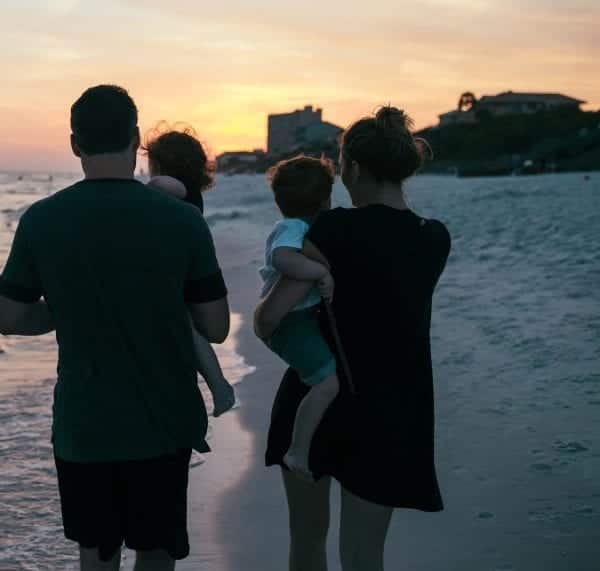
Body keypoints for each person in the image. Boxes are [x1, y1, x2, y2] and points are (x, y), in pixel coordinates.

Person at [0, 85, 230, 571]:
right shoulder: (183, 220)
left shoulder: (42, 219)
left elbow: (11, 318)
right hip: (164, 421)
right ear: (136, 137)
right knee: (156, 554)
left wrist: (72, 302)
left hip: (86, 424)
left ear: (74, 144)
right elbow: (216, 324)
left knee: (97, 556)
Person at [254, 106, 450, 571]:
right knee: (364, 556)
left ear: (356, 168)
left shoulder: (331, 230)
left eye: (341, 167)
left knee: (307, 542)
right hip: (393, 409)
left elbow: (269, 319)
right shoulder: (433, 239)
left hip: (317, 397)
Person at [144, 125, 235, 417]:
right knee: (191, 331)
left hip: (176, 272)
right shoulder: (192, 193)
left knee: (187, 328)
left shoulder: (177, 188)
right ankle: (218, 383)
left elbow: (162, 187)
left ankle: (219, 384)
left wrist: (133, 190)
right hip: (180, 268)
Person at [258, 155, 339, 479]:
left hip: (296, 320)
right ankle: (297, 450)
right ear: (326, 198)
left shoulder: (296, 225)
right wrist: (321, 272)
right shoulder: (293, 228)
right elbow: (282, 258)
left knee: (323, 380)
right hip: (290, 324)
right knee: (327, 383)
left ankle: (298, 449)